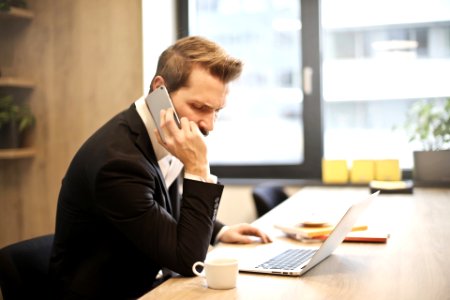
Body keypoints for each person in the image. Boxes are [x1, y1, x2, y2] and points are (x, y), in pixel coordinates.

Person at [49, 36, 272, 299]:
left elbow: (161, 202)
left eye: (217, 111)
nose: (208, 125)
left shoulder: (163, 130)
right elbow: (188, 260)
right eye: (199, 107)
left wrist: (219, 230)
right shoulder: (117, 163)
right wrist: (198, 167)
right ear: (159, 90)